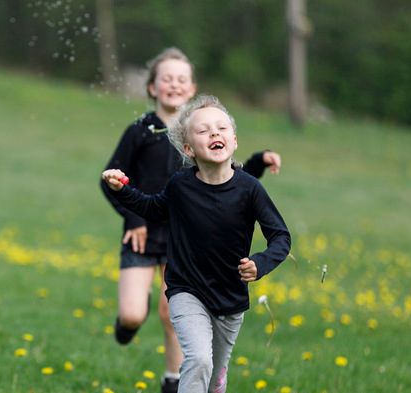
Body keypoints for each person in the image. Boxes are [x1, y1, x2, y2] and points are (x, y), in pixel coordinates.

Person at [99, 47, 281, 393]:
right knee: (135, 314)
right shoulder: (141, 131)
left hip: (182, 241)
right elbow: (121, 184)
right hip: (142, 234)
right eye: (166, 78)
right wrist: (132, 216)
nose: (174, 84)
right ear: (152, 87)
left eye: (182, 79)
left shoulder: (205, 130)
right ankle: (129, 326)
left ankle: (173, 379)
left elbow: (233, 181)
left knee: (175, 316)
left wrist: (258, 160)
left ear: (192, 87)